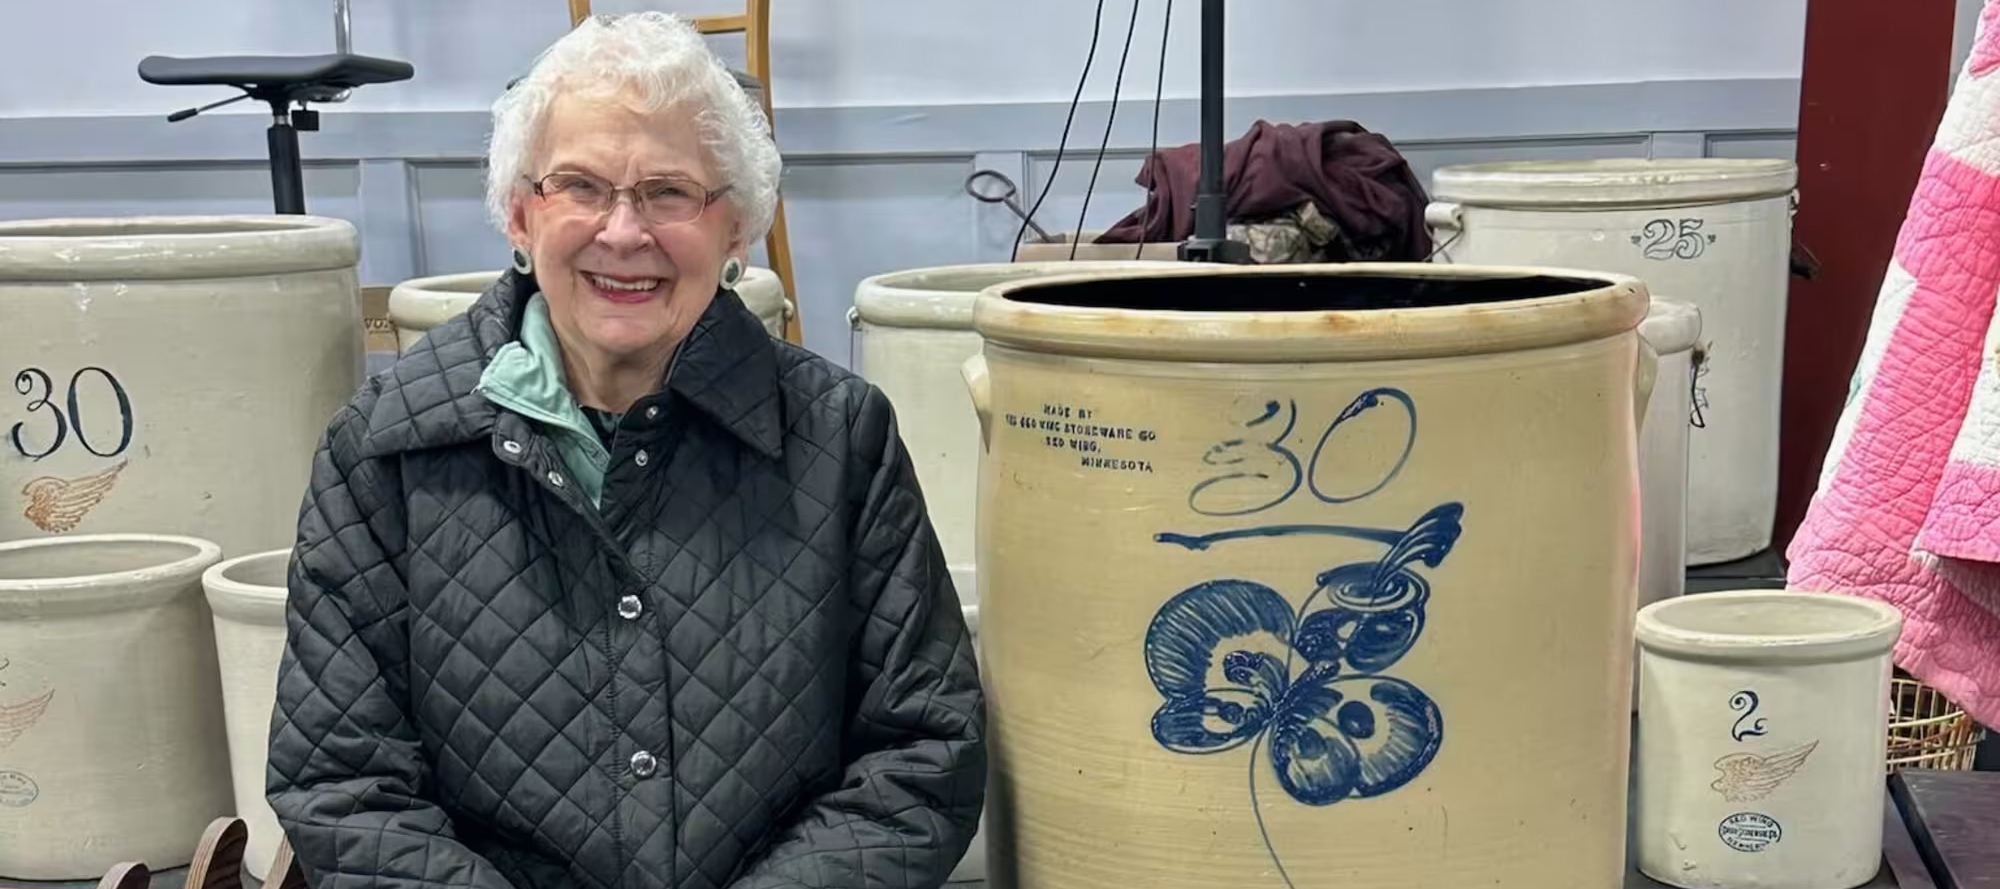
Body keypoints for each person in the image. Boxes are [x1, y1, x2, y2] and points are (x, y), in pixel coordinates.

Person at [264, 12, 985, 889]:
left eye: (670, 192)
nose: (622, 231)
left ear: (737, 230)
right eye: (580, 186)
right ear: (521, 214)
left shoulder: (839, 437)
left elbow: (920, 752)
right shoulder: (384, 450)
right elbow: (342, 783)